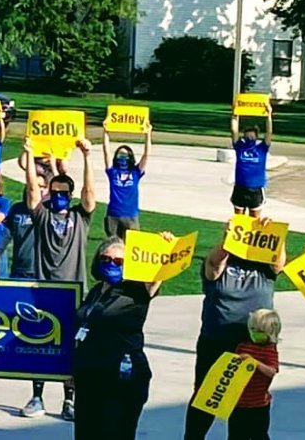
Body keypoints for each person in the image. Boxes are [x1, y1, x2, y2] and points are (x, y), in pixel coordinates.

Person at [183, 215, 284, 440]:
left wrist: (274, 237)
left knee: (247, 404)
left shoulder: (264, 267)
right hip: (217, 341)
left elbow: (278, 263)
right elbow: (213, 264)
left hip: (255, 345)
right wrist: (228, 238)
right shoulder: (222, 265)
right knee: (206, 398)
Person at [19, 137, 95, 419]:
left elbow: (89, 192)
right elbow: (31, 191)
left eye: (65, 191)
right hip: (43, 291)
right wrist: (28, 156)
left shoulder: (80, 217)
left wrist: (87, 156)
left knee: (71, 349)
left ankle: (69, 400)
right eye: (56, 191)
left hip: (74, 293)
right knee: (40, 345)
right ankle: (37, 397)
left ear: (71, 194)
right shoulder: (42, 216)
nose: (59, 195)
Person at [72, 236, 162, 439]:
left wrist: (162, 248)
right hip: (89, 374)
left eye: (119, 261)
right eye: (106, 259)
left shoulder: (137, 291)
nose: (111, 263)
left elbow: (156, 277)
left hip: (122, 376)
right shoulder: (96, 291)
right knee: (86, 432)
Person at [230, 308, 281, 439]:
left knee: (258, 435)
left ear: (270, 333)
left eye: (259, 331)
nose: (254, 334)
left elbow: (271, 371)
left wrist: (255, 363)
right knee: (236, 436)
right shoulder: (243, 347)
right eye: (252, 329)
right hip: (238, 403)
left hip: (258, 405)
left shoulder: (269, 351)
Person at [102, 123, 152, 239]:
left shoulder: (136, 172)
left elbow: (147, 154)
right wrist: (105, 132)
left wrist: (148, 134)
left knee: (131, 247)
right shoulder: (112, 172)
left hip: (131, 216)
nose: (123, 157)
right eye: (120, 154)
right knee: (113, 246)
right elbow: (106, 151)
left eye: (125, 155)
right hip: (113, 215)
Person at [229, 106, 273, 217]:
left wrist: (269, 115)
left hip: (256, 189)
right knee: (238, 219)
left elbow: (269, 132)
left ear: (256, 136)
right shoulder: (240, 147)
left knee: (254, 220)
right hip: (240, 188)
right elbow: (234, 131)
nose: (250, 137)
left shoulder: (261, 148)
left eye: (252, 135)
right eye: (247, 135)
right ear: (244, 136)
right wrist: (235, 115)